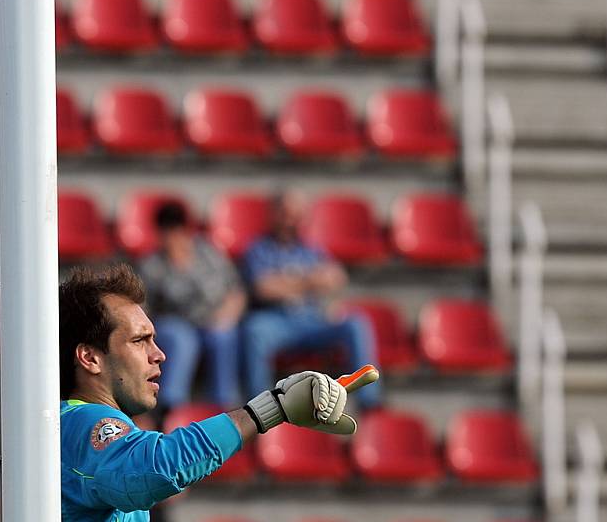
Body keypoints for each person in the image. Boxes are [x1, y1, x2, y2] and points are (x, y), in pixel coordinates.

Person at [59, 264, 377, 521]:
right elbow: (157, 467)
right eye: (140, 340)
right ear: (90, 358)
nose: (159, 354)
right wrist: (269, 409)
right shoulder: (84, 422)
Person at [241, 190, 381, 410]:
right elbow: (264, 288)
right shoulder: (258, 248)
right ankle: (259, 408)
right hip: (276, 321)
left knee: (356, 323)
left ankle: (369, 401)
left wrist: (288, 281)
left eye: (297, 215)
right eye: (287, 214)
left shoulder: (309, 247)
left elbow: (336, 277)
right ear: (274, 215)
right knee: (254, 330)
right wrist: (309, 280)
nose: (292, 221)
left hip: (311, 319)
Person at [138, 201, 245, 412]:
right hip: (174, 322)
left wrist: (227, 316)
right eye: (167, 231)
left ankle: (224, 406)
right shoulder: (152, 265)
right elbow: (143, 309)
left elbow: (236, 290)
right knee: (182, 338)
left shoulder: (208, 253)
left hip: (213, 319)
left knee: (224, 336)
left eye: (178, 230)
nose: (174, 237)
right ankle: (171, 407)